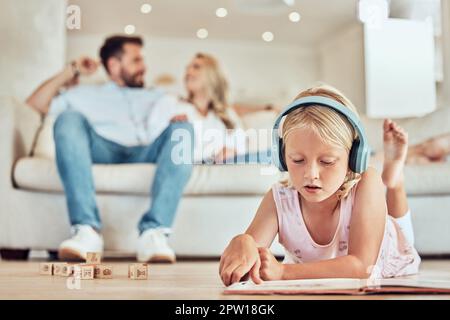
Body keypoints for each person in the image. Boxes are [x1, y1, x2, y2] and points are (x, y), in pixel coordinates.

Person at [219, 85, 420, 285]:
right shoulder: (278, 199)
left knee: (402, 235)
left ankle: (394, 182)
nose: (311, 174)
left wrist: (283, 272)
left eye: (327, 162)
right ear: (281, 156)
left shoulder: (367, 183)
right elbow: (250, 257)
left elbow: (362, 267)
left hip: (392, 251)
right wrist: (242, 243)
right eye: (297, 160)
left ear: (353, 158)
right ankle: (393, 180)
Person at [26, 35, 194, 263]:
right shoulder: (83, 93)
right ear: (114, 66)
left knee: (183, 129)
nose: (143, 67)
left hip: (146, 150)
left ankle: (154, 232)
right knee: (68, 119)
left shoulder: (158, 96)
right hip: (102, 147)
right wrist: (71, 70)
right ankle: (86, 230)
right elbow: (33, 106)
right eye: (136, 60)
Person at [175, 52, 274, 164]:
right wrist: (213, 155)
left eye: (196, 67)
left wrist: (233, 151)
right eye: (187, 68)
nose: (188, 72)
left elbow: (241, 144)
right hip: (200, 163)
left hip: (227, 164)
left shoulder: (226, 112)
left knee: (270, 155)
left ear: (212, 74)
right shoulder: (177, 107)